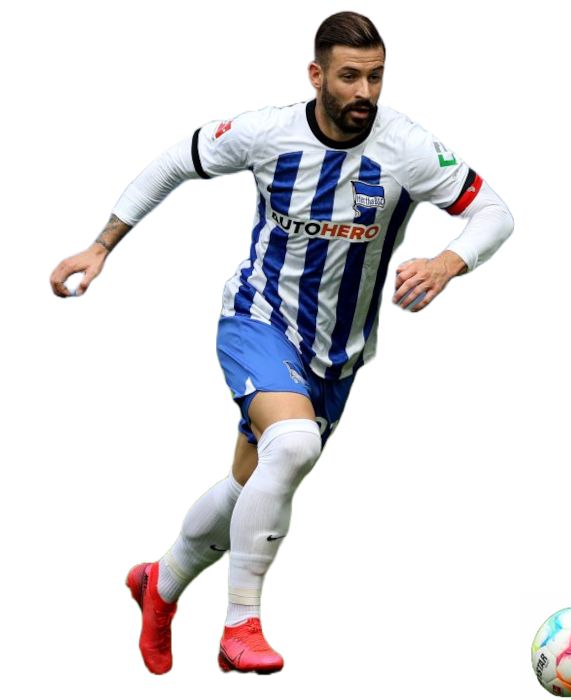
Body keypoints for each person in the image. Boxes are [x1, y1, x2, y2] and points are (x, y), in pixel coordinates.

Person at [47, 9, 514, 675]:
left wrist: (448, 262)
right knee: (293, 445)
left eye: (376, 77)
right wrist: (100, 247)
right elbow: (176, 160)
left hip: (340, 355)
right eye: (349, 77)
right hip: (258, 320)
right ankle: (240, 627)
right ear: (315, 75)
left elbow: (493, 212)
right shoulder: (268, 132)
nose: (364, 92)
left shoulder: (408, 146)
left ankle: (161, 583)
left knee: (250, 486)